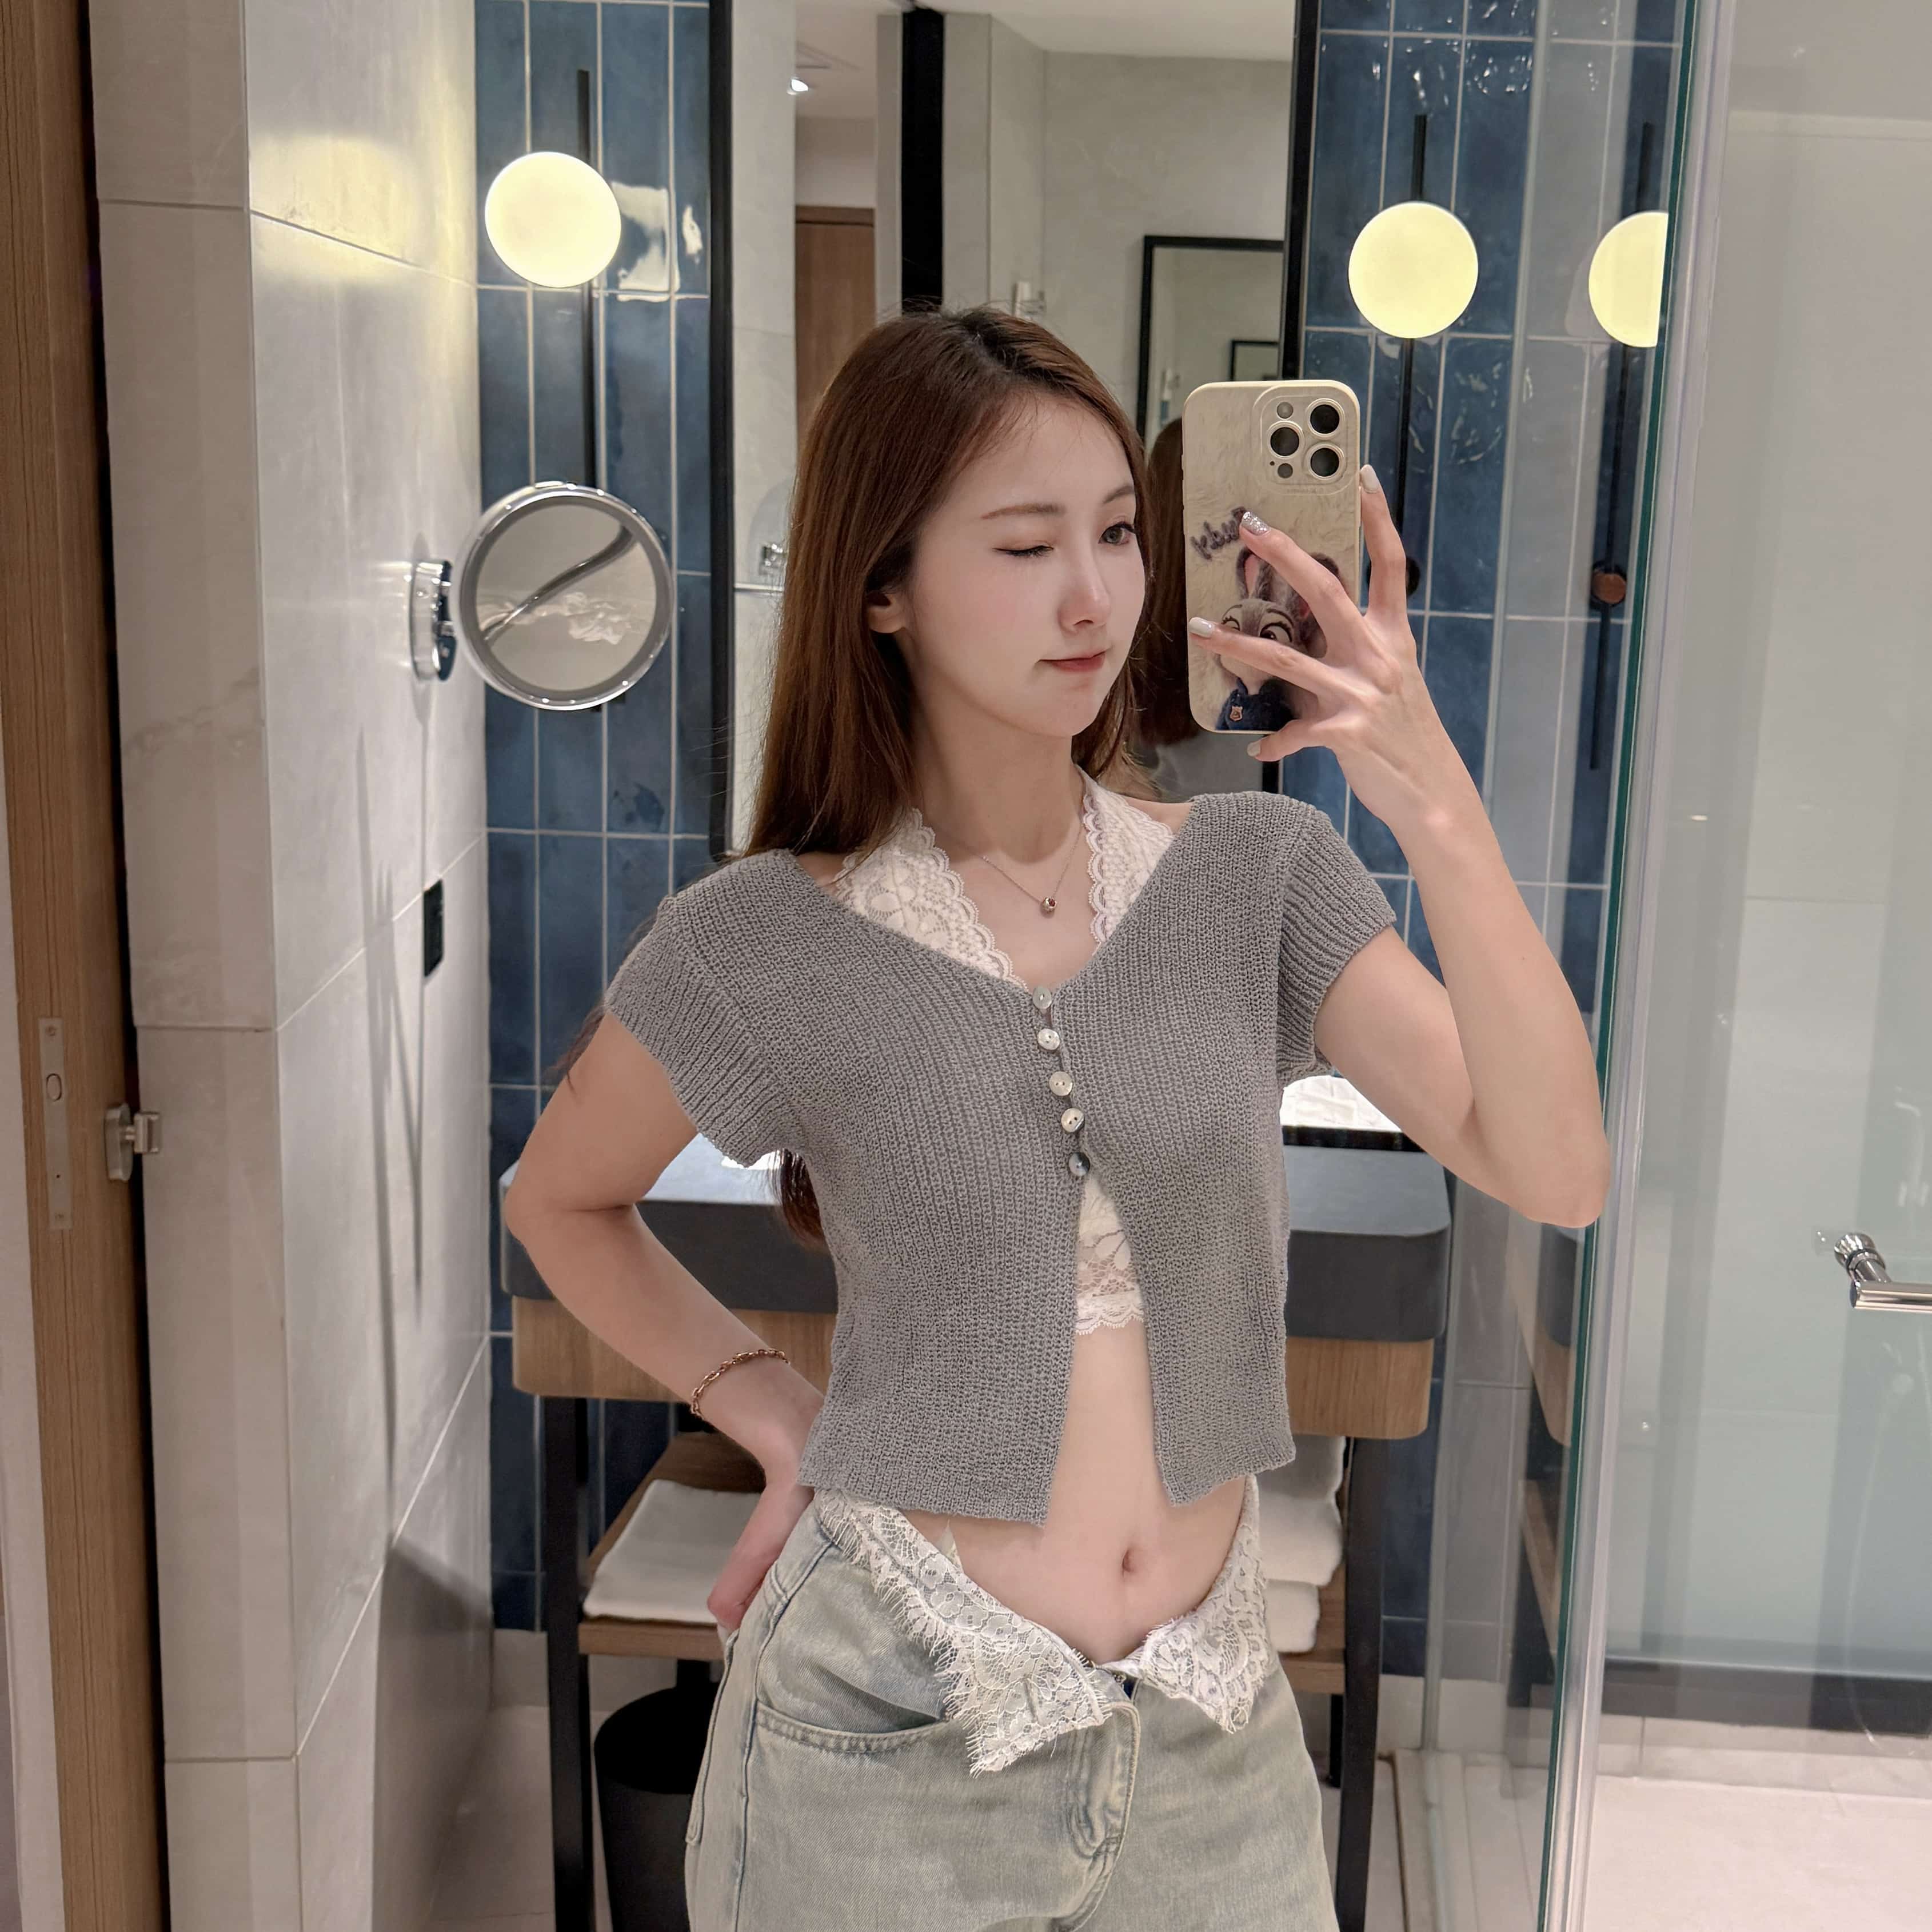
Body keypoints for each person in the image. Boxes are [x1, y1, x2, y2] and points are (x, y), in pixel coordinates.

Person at [504, 306, 1610, 1931]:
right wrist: (773, 1413)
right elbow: (556, 1199)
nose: (1093, 596)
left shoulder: (1258, 877)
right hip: (883, 1727)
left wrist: (1430, 798)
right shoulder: (764, 937)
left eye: (1117, 534)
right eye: (1026, 546)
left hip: (1212, 1737)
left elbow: (1558, 1169)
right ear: (881, 587)